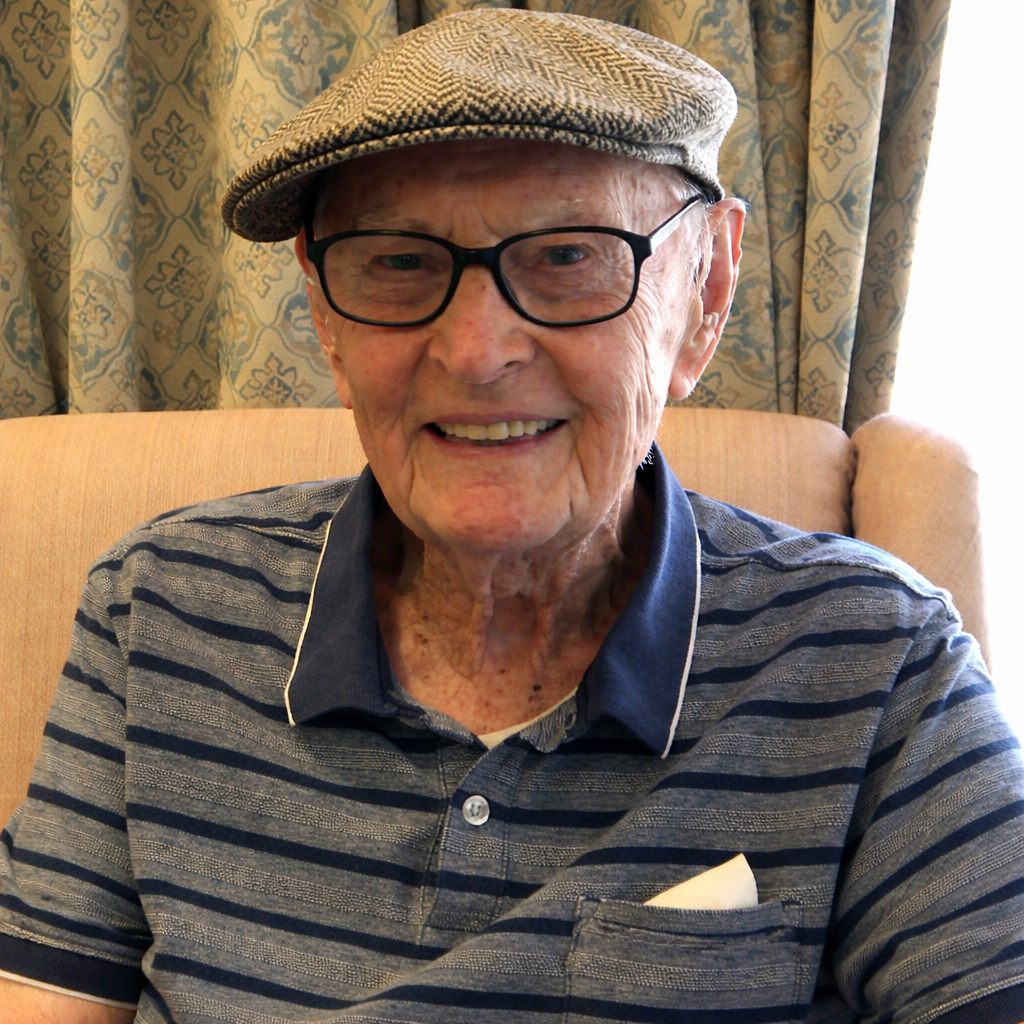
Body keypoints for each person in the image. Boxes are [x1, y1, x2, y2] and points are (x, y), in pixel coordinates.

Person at [1, 9, 1022, 1024]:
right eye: (398, 261)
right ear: (323, 310)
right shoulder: (159, 612)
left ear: (704, 289)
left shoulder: (875, 662)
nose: (478, 351)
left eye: (570, 257)